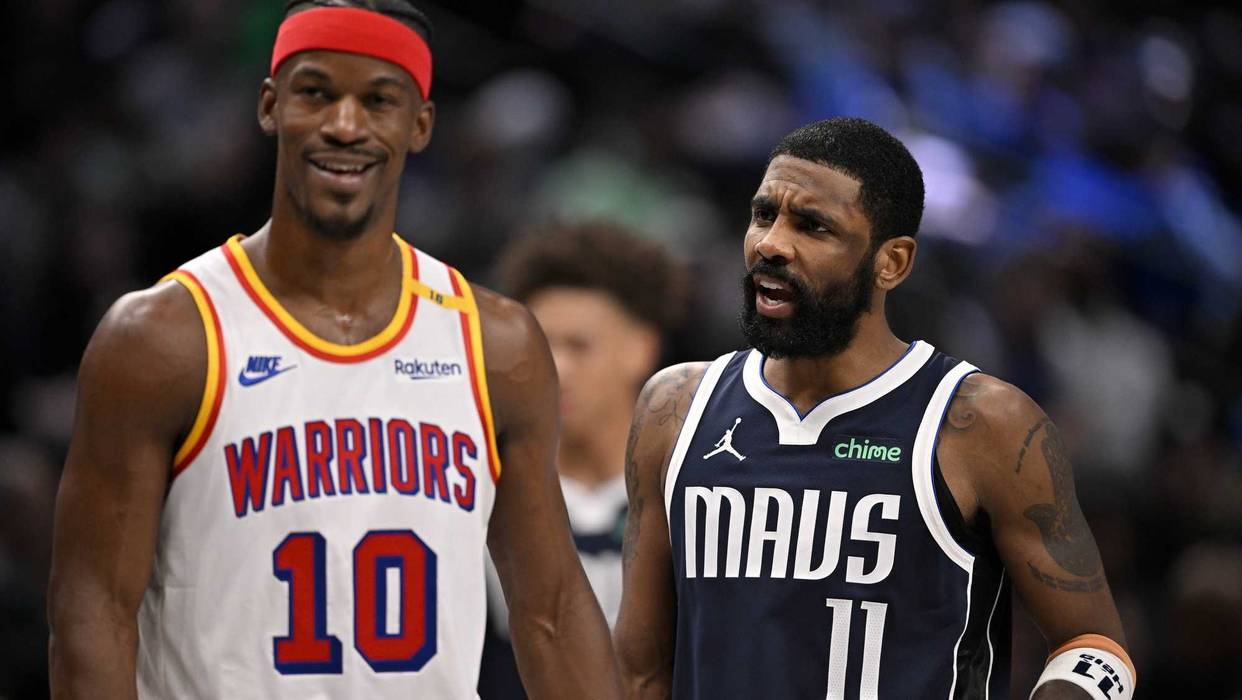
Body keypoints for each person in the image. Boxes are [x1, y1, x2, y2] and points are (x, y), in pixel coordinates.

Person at [46, 2, 621, 698]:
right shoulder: (163, 339)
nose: (344, 127)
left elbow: (551, 610)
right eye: (316, 93)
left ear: (420, 125)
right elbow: (94, 613)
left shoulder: (494, 342)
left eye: (378, 101)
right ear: (270, 105)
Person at [614, 117, 1137, 700]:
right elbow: (639, 672)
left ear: (892, 263)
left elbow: (1096, 650)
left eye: (812, 226)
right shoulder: (675, 408)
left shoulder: (981, 423)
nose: (770, 244)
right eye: (764, 215)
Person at [478, 223, 686, 699]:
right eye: (541, 343)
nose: (557, 367)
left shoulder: (695, 493)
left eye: (578, 345)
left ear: (641, 349)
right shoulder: (482, 492)